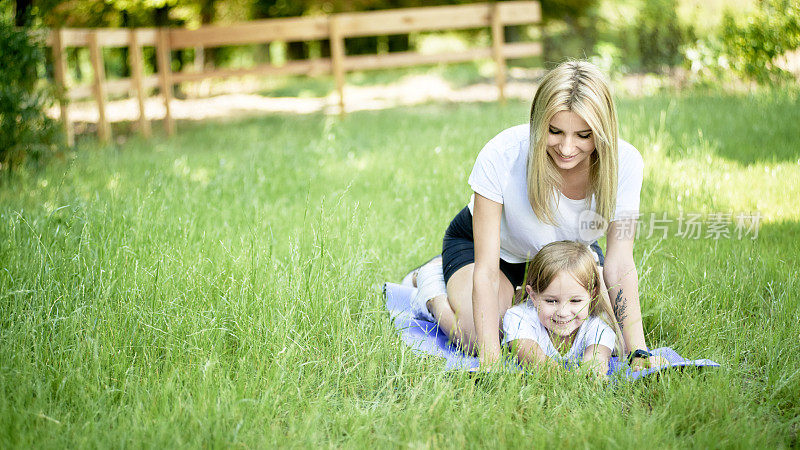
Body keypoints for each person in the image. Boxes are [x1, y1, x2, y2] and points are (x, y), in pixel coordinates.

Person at [410, 60, 667, 370]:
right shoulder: (502, 153)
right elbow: (487, 270)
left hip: (569, 257)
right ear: (538, 120)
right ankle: (431, 286)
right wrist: (491, 363)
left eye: (584, 135)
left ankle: (523, 305)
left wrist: (637, 352)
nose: (567, 148)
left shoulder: (625, 163)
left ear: (602, 131)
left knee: (611, 340)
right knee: (479, 338)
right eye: (554, 131)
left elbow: (621, 261)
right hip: (496, 254)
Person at [502, 240, 623, 379]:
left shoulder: (598, 325)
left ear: (592, 295)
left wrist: (590, 372)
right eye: (551, 301)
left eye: (575, 301)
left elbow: (597, 358)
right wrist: (561, 375)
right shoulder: (518, 317)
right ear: (533, 296)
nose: (563, 313)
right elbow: (530, 354)